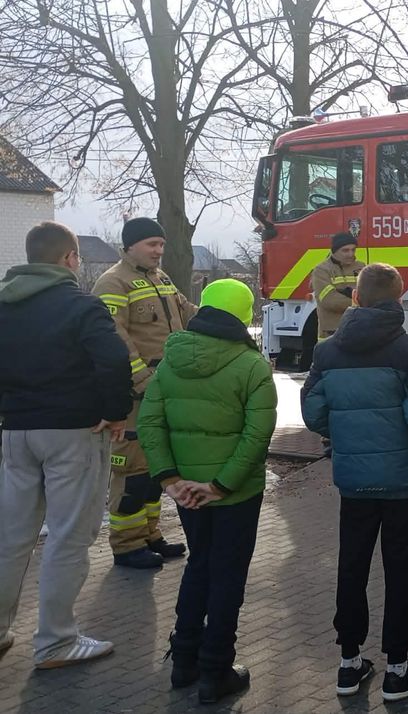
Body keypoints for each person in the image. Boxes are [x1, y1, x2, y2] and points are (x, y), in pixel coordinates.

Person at [300, 263, 408, 700]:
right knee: (399, 572)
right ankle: (398, 670)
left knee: (351, 567)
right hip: (401, 483)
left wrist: (344, 432)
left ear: (355, 299)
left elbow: (313, 414)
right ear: (398, 300)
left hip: (354, 481)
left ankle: (349, 664)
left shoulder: (327, 353)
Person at [136, 279, 277, 705]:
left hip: (187, 494)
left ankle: (184, 661)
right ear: (242, 312)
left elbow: (150, 423)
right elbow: (258, 435)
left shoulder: (170, 360)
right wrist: (220, 485)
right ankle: (216, 670)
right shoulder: (252, 366)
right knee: (228, 573)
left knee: (200, 565)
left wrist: (170, 480)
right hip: (233, 493)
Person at [0, 222, 132, 668]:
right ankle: (56, 641)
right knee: (68, 539)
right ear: (69, 259)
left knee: (11, 538)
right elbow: (114, 359)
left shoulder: (3, 304)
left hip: (16, 432)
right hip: (74, 434)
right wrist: (115, 412)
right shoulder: (81, 305)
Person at [93, 216, 195, 570]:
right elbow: (113, 339)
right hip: (137, 395)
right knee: (132, 469)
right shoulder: (113, 283)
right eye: (152, 244)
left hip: (166, 387)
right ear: (130, 245)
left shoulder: (161, 279)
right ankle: (125, 545)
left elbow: (187, 314)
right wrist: (141, 380)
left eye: (162, 245)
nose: (159, 251)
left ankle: (150, 534)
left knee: (155, 467)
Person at [311, 232, 364, 342]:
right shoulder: (322, 270)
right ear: (334, 251)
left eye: (353, 249)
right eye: (345, 250)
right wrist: (360, 303)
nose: (350, 254)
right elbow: (329, 301)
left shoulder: (361, 267)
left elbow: (372, 293)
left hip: (357, 330)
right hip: (331, 333)